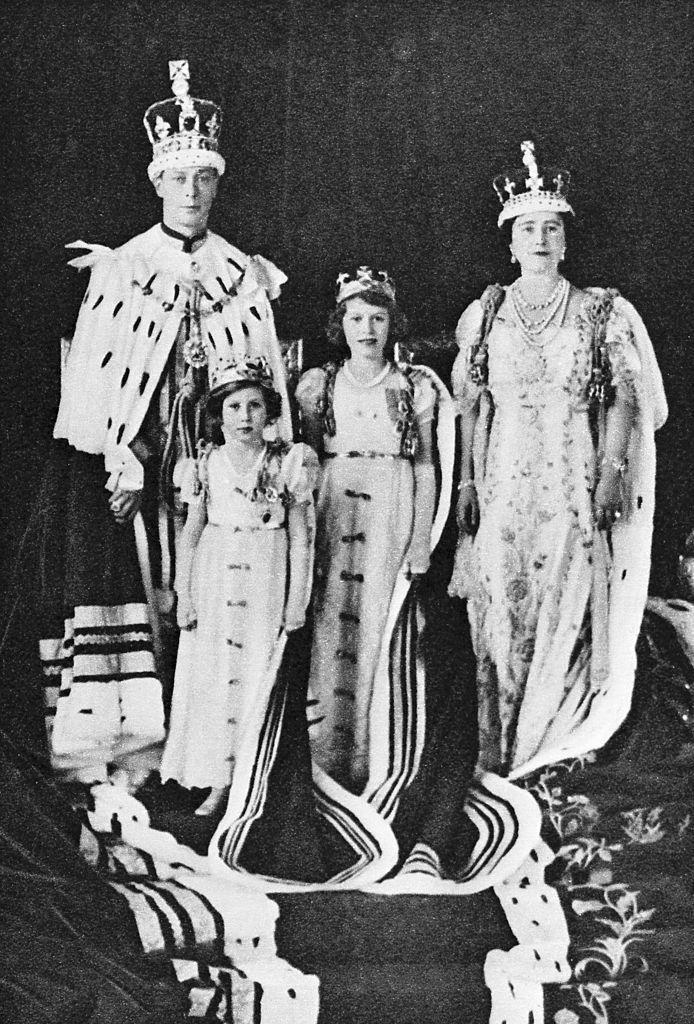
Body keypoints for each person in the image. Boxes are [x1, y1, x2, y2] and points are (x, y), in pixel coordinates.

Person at [30, 60, 290, 784]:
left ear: (218, 184)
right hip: (142, 465)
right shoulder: (122, 270)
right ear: (158, 183)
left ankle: (215, 752)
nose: (193, 192)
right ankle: (143, 752)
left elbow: (262, 392)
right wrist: (127, 454)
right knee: (153, 594)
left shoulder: (243, 273)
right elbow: (96, 392)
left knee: (215, 601)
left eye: (204, 179)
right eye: (179, 180)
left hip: (221, 469)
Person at [449, 140, 668, 778]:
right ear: (510, 243)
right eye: (527, 230)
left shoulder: (601, 311)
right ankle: (500, 755)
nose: (540, 239)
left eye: (551, 229)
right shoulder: (485, 314)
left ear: (565, 243)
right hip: (503, 479)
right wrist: (466, 479)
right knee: (501, 605)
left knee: (563, 603)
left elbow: (628, 399)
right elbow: (472, 406)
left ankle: (549, 747)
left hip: (572, 476)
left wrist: (612, 475)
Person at [296, 267, 452, 793]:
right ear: (340, 324)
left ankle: (372, 755)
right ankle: (324, 755)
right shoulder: (320, 385)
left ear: (392, 324)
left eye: (377, 318)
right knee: (329, 624)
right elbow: (313, 458)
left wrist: (418, 540)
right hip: (336, 502)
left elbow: (427, 464)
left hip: (392, 501)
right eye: (356, 318)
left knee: (379, 629)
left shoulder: (414, 386)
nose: (367, 329)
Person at [159, 357, 317, 815]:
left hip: (266, 575)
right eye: (234, 407)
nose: (244, 417)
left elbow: (302, 537)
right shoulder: (205, 465)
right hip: (215, 574)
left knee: (257, 672)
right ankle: (217, 778)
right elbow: (190, 533)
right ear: (219, 415)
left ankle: (253, 777)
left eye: (253, 406)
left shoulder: (288, 462)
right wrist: (183, 594)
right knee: (215, 671)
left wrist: (296, 602)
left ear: (269, 413)